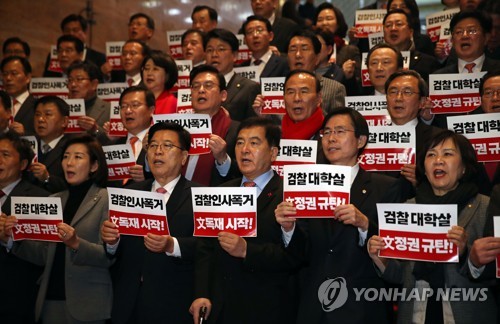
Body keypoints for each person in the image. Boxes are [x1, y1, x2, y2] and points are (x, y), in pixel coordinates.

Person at [275, 108, 403, 323]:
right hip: (313, 305)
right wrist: (289, 229)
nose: (331, 138)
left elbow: (396, 249)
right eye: (327, 132)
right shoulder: (306, 184)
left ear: (361, 140)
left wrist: (364, 225)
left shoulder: (386, 187)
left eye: (340, 131)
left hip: (361, 305)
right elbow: (299, 253)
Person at [368, 130, 496, 324]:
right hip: (416, 314)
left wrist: (467, 255)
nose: (438, 160)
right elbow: (402, 277)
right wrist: (381, 260)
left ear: (464, 168)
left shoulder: (485, 206)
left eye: (448, 154)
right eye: (431, 155)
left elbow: (494, 272)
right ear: (424, 169)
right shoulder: (407, 208)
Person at [190, 117, 306, 323]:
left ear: (273, 153)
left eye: (254, 143)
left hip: (267, 308)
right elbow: (204, 249)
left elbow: (296, 256)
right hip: (221, 307)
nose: (245, 149)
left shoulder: (290, 195)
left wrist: (246, 250)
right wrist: (202, 292)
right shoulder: (221, 192)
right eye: (240, 142)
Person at [5, 135, 113, 323]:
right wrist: (11, 238)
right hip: (50, 300)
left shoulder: (106, 199)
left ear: (94, 166)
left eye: (78, 157)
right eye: (65, 156)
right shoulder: (53, 200)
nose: (69, 163)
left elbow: (108, 256)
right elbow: (44, 255)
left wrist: (76, 243)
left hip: (87, 303)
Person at [101, 122, 198, 323]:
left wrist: (172, 245)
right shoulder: (130, 193)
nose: (158, 152)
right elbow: (116, 252)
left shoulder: (199, 196)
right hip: (128, 303)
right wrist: (112, 242)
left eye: (167, 146)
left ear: (183, 157)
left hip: (173, 304)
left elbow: (207, 248)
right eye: (153, 146)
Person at [0, 131, 49, 324]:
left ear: (22, 164)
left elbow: (44, 255)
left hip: (16, 299)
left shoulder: (39, 198)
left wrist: (9, 239)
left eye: (5, 155)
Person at [384, 70, 442, 199]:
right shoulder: (370, 139)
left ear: (422, 102)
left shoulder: (439, 139)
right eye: (393, 92)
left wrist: (423, 181)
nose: (398, 98)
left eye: (407, 92)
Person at [184, 64, 239, 186]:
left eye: (208, 85)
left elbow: (242, 175)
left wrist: (222, 159)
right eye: (196, 86)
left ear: (223, 95)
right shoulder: (178, 128)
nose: (201, 90)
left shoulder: (237, 130)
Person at [205, 28, 260, 122]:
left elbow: (253, 125)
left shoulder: (249, 87)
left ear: (234, 55)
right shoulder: (200, 88)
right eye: (210, 50)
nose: (214, 54)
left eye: (221, 49)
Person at [102, 86, 153, 185]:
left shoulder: (158, 142)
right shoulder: (114, 142)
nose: (128, 111)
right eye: (123, 106)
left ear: (151, 110)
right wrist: (110, 142)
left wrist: (149, 175)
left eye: (135, 105)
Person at [382, 9, 441, 82]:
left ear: (411, 32)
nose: (393, 28)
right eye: (388, 25)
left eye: (399, 24)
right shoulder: (375, 64)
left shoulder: (428, 62)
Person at [434, 10, 500, 74]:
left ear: (486, 38)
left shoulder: (497, 70)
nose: (464, 36)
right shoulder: (439, 77)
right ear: (452, 41)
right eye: (459, 32)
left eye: (472, 31)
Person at [314, 3, 361, 88]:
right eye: (320, 19)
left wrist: (344, 75)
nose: (324, 23)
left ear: (338, 23)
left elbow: (358, 85)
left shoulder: (349, 50)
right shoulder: (311, 48)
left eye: (329, 18)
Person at [30, 96, 71, 193]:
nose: (40, 119)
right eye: (37, 114)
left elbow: (74, 186)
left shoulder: (71, 148)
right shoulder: (27, 145)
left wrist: (47, 178)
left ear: (64, 121)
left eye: (47, 114)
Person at [239, 15, 289, 79]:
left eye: (259, 30)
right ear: (245, 40)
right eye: (250, 32)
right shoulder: (241, 68)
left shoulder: (284, 64)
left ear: (270, 36)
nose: (255, 35)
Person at [67, 61, 110, 135]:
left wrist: (95, 130)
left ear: (94, 84)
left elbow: (114, 142)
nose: (73, 84)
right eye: (70, 80)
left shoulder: (109, 109)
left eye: (79, 79)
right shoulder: (63, 109)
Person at [281, 69, 323, 140]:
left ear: (318, 98)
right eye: (291, 92)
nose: (297, 98)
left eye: (304, 92)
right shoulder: (274, 136)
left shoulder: (329, 135)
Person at [0, 55, 35, 135]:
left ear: (28, 77)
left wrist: (25, 134)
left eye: (14, 73)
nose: (8, 78)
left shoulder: (37, 106)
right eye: (5, 74)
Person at [141, 50, 178, 114]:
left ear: (167, 75)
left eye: (155, 69)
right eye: (146, 68)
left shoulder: (173, 103)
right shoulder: (137, 101)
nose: (149, 73)